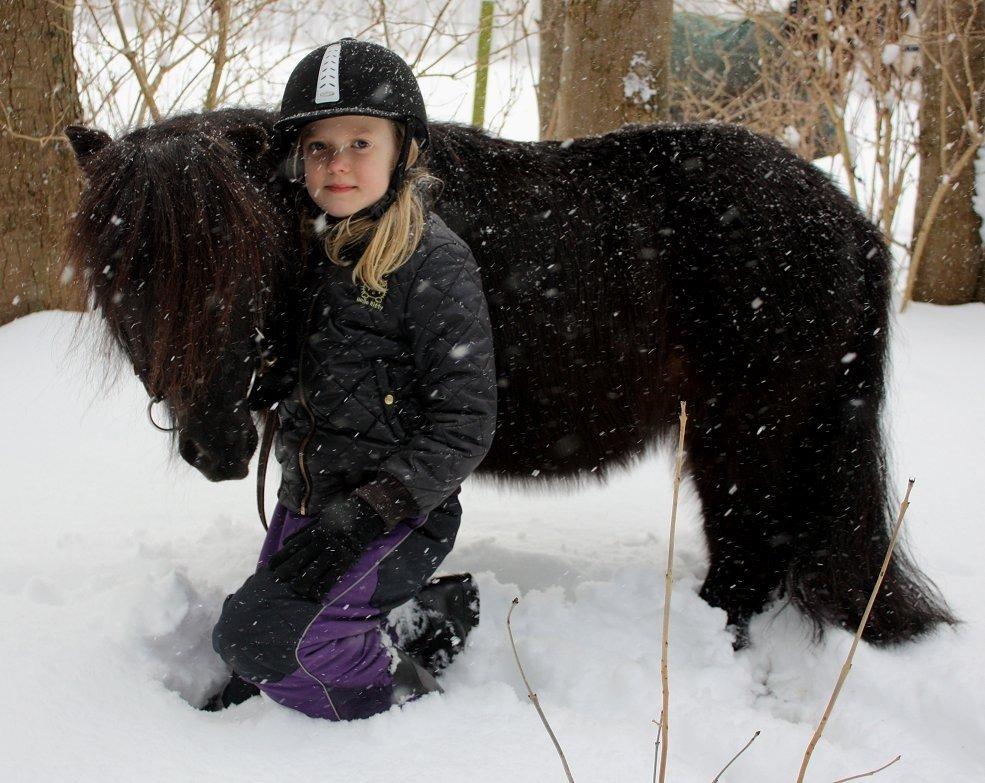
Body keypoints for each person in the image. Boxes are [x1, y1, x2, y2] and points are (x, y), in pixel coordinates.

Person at [208, 38, 498, 720]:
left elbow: (465, 422)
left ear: (403, 150)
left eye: (360, 142)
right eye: (317, 146)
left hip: (395, 511)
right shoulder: (311, 247)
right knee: (255, 629)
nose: (337, 164)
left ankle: (373, 709)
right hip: (309, 494)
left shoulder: (434, 263)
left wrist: (367, 511)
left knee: (263, 636)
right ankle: (417, 615)